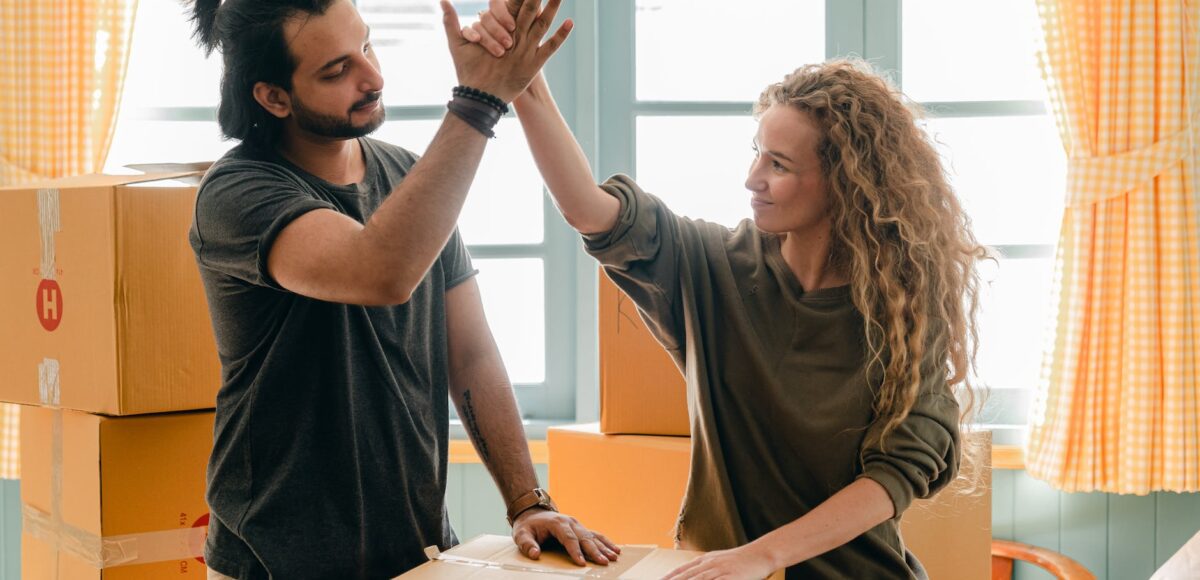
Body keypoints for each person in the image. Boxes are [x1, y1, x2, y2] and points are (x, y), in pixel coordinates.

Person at [465, 5, 987, 578]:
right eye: (755, 151)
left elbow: (896, 474)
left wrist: (763, 555)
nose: (752, 178)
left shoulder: (902, 307)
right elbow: (590, 210)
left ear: (845, 184)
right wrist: (522, 81)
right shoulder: (711, 266)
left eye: (779, 164)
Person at [185, 0, 618, 577]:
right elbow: (381, 271)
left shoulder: (410, 177)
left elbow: (471, 351)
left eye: (367, 46)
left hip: (417, 551)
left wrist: (526, 501)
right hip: (274, 561)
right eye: (337, 71)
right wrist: (480, 99)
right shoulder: (236, 194)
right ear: (273, 97)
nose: (373, 77)